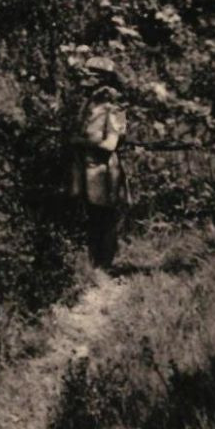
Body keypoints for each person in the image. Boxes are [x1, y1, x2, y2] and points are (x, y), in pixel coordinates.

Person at [67, 57, 131, 271]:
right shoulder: (89, 104)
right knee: (91, 216)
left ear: (104, 78)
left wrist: (81, 141)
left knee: (104, 216)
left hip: (102, 169)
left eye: (94, 74)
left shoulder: (114, 107)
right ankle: (94, 264)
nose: (88, 78)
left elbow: (110, 143)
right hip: (85, 167)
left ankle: (104, 265)